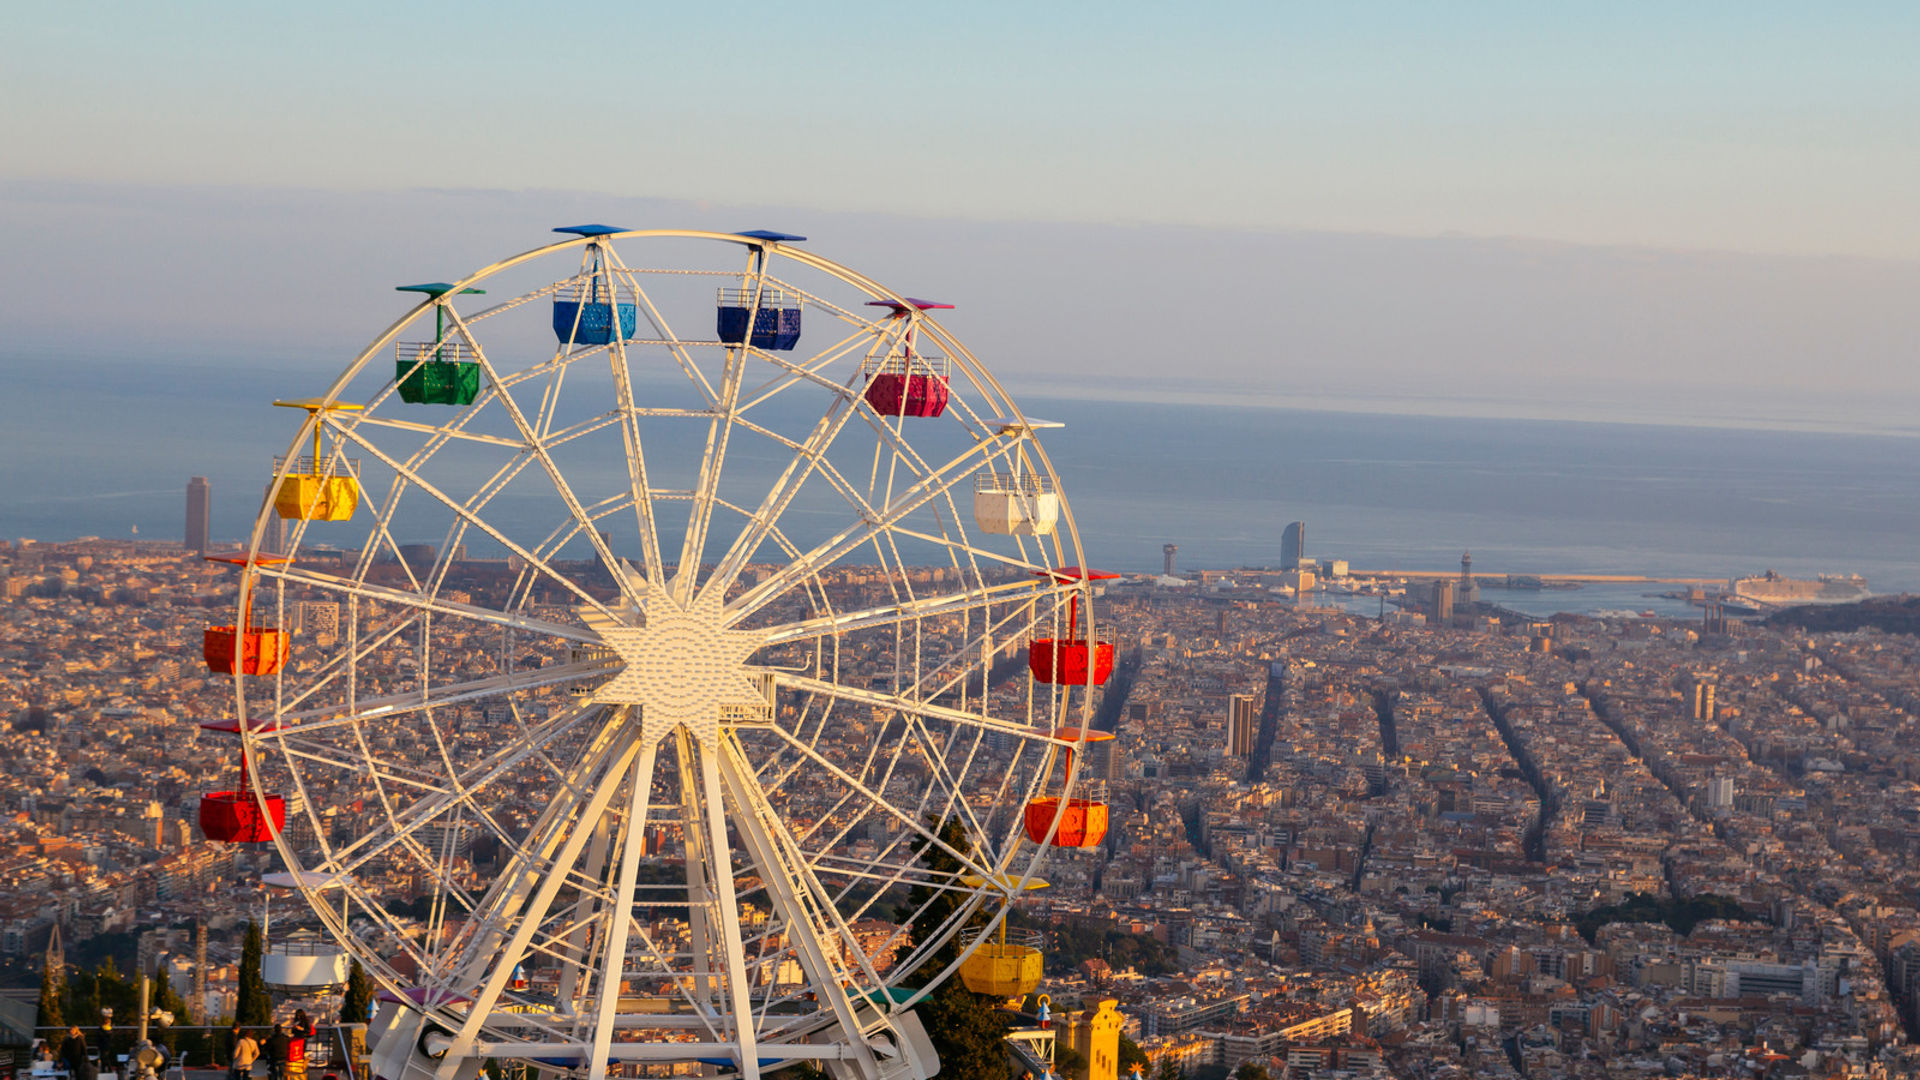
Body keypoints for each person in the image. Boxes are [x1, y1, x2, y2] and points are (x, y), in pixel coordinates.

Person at [286, 1012, 315, 1080]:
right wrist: (294, 1028)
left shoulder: (306, 1021)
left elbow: (308, 1031)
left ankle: (301, 1068)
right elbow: (293, 1032)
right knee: (296, 1054)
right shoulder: (296, 1021)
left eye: (299, 1015)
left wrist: (301, 1028)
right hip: (296, 1039)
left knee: (301, 1054)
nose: (298, 1017)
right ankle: (297, 1067)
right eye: (297, 1015)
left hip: (302, 1039)